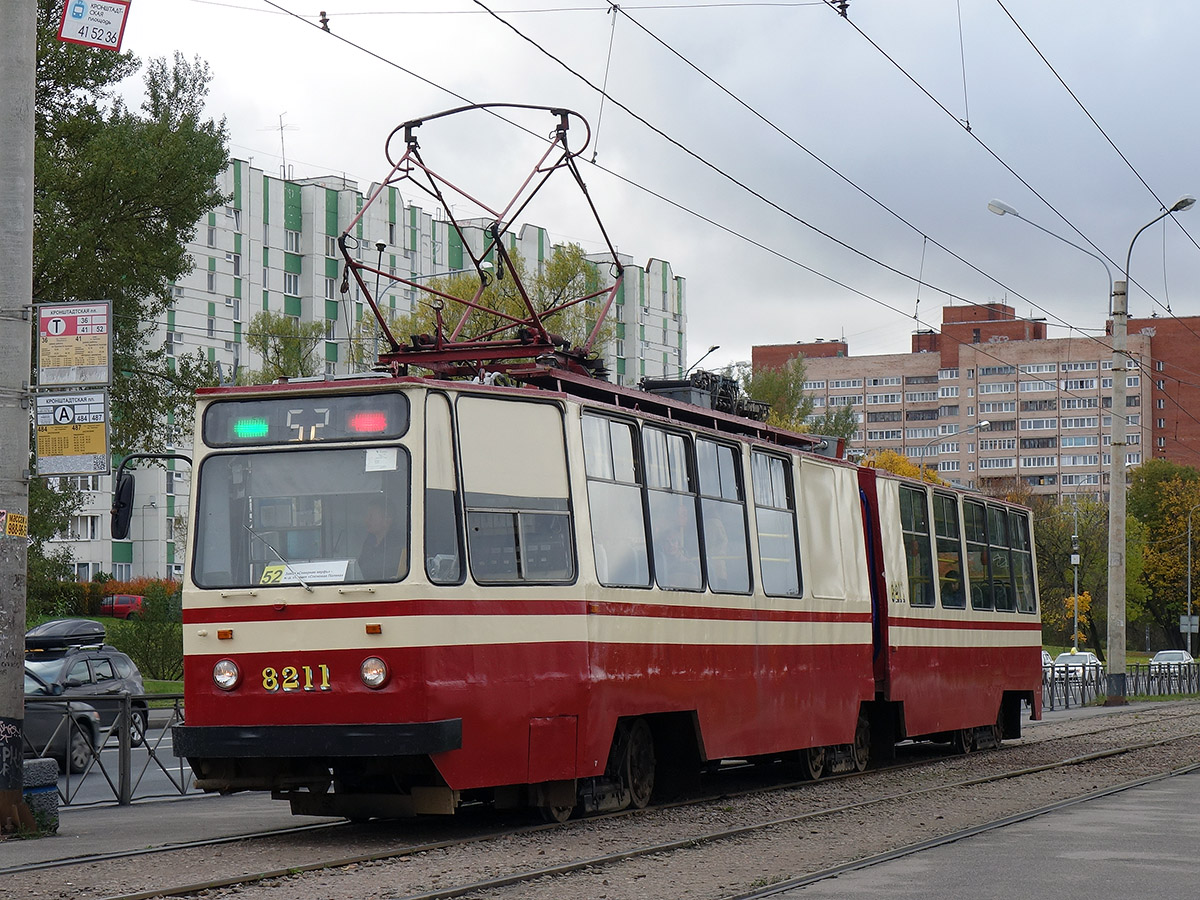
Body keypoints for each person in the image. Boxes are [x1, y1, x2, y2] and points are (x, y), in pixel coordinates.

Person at [357, 496, 405, 581]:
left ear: (388, 519)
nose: (366, 520)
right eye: (367, 516)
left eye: (371, 516)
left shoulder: (400, 544)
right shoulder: (369, 542)